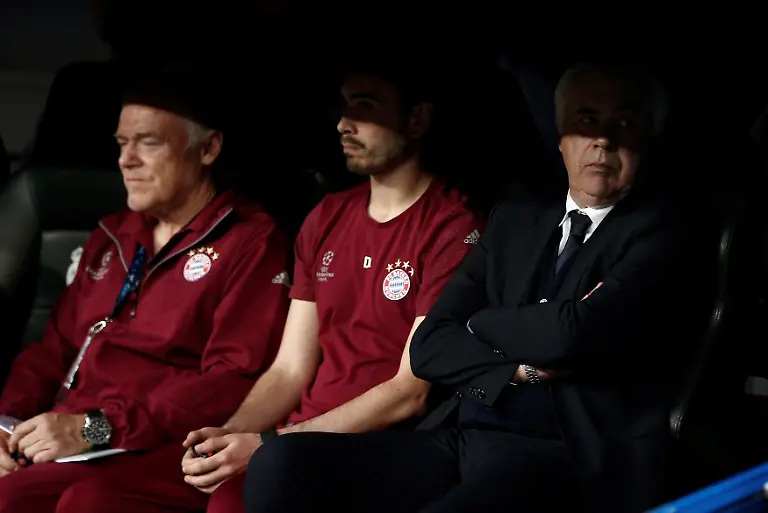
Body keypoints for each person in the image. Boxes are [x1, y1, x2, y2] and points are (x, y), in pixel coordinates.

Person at [241, 62, 706, 513]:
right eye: (587, 121)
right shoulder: (517, 217)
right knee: (280, 464)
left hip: (563, 451)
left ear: (648, 137)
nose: (603, 140)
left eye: (624, 122)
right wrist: (519, 367)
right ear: (561, 139)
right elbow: (429, 348)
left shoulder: (665, 230)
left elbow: (569, 333)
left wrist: (478, 324)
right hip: (463, 432)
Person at [177, 57, 485, 512]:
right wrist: (230, 437)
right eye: (343, 107)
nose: (344, 124)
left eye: (365, 107)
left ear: (417, 119)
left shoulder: (452, 226)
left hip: (382, 448)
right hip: (296, 440)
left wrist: (268, 444)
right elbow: (289, 369)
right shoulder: (327, 216)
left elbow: (410, 392)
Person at [0, 73, 291, 513]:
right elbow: (52, 350)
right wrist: (5, 427)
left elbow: (229, 381)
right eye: (121, 143)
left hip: (153, 443)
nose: (126, 160)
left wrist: (96, 427)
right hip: (67, 436)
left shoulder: (251, 241)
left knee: (84, 503)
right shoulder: (114, 232)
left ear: (208, 148)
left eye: (148, 143)